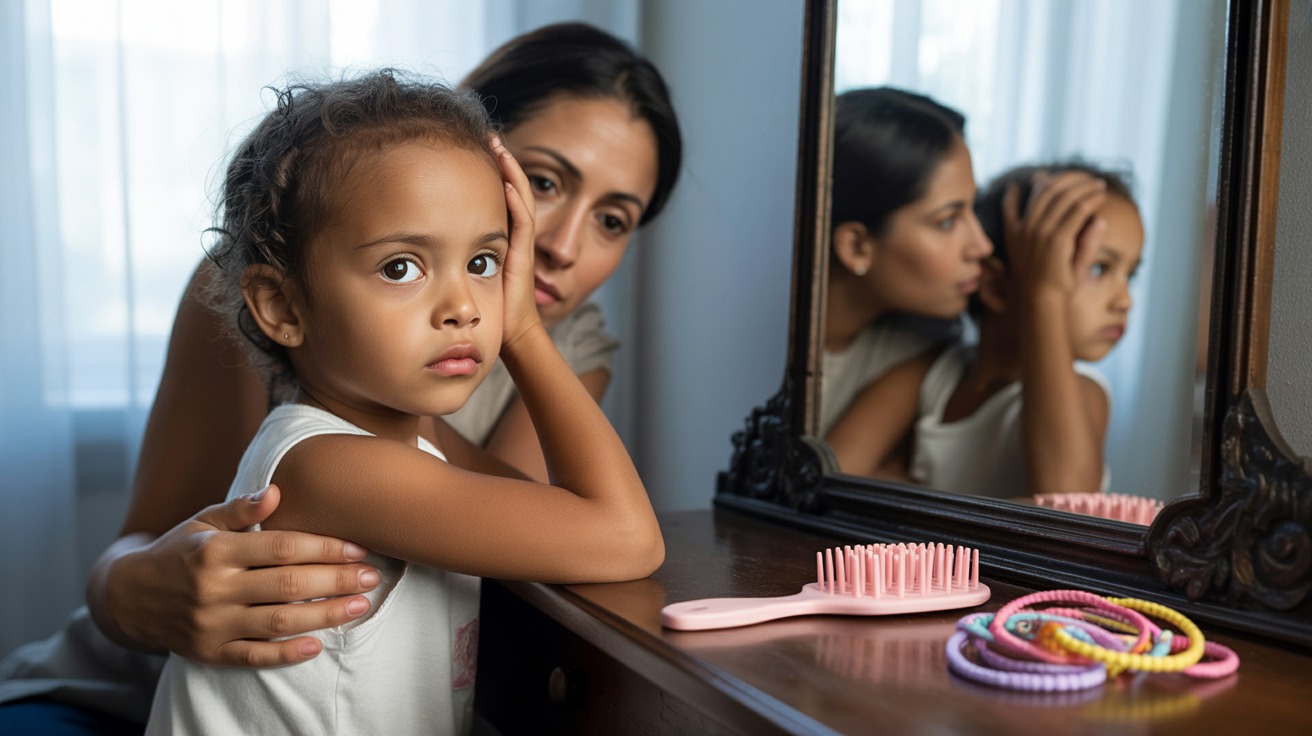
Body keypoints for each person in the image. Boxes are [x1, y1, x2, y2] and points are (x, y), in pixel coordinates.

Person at [0, 22, 680, 734]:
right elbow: (615, 533)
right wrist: (127, 588)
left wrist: (517, 332)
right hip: (109, 692)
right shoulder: (284, 353)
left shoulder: (541, 344)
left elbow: (523, 534)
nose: (562, 245)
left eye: (612, 218)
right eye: (540, 184)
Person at [829, 163, 1143, 498]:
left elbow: (1067, 508)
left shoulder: (1086, 393)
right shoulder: (932, 374)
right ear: (996, 286)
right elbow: (830, 477)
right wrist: (1045, 290)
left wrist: (900, 482)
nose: (1125, 301)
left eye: (1130, 274)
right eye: (1099, 268)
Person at [820, 87, 993, 444]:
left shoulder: (927, 350)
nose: (981, 246)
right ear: (856, 247)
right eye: (947, 221)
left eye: (972, 210)